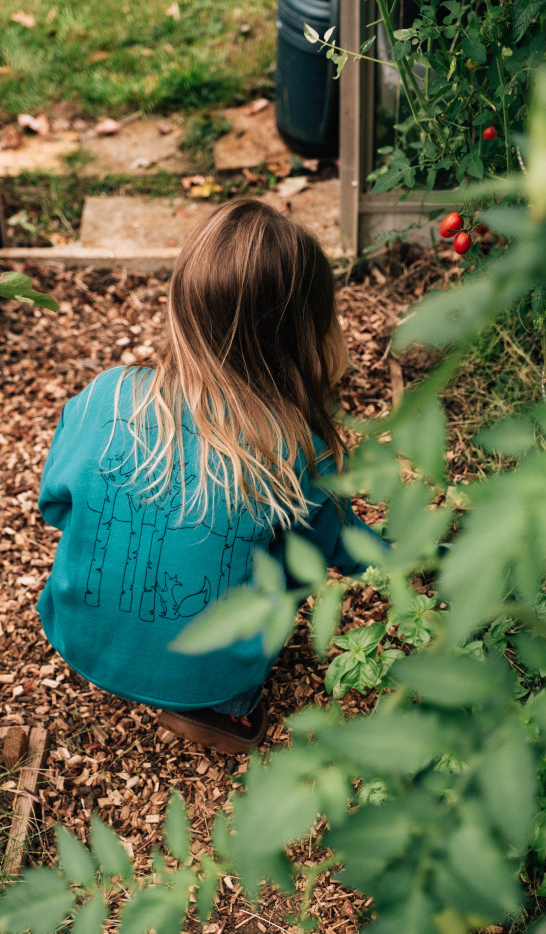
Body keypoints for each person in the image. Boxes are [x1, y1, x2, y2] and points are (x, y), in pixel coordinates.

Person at [37, 198, 386, 754]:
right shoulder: (295, 446)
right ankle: (225, 713)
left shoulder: (106, 394)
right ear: (307, 332)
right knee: (288, 552)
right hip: (206, 680)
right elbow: (336, 551)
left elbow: (55, 504)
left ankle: (130, 652)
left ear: (182, 303)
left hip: (75, 636)